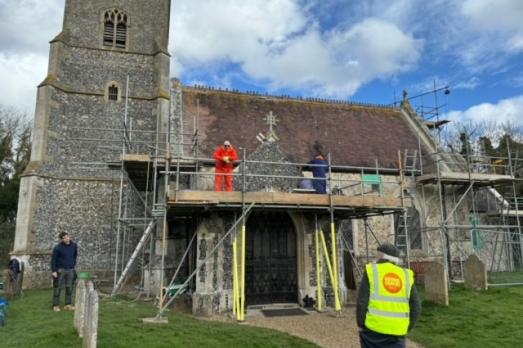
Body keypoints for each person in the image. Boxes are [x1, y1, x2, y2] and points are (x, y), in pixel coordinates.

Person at [356, 243, 421, 348]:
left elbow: (362, 301)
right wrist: (406, 327)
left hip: (373, 331)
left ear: (381, 256)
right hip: (397, 333)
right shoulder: (405, 275)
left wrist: (361, 324)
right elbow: (416, 307)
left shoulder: (372, 271)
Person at [51, 232, 78, 312]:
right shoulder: (57, 248)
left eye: (67, 237)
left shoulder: (74, 246)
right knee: (57, 288)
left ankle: (68, 305)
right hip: (60, 270)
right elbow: (53, 260)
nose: (66, 238)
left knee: (69, 287)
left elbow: (75, 256)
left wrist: (72, 264)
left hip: (70, 269)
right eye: (64, 238)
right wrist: (54, 271)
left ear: (69, 237)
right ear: (62, 239)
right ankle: (56, 305)